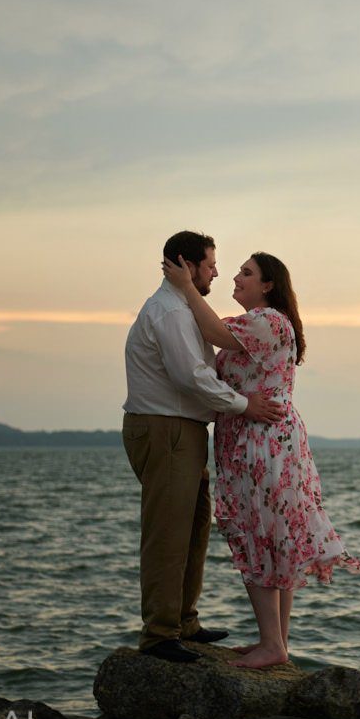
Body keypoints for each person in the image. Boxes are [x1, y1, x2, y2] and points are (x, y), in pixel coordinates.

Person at [163, 250, 360, 669]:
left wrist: (184, 288)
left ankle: (273, 643)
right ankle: (276, 643)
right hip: (260, 440)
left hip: (261, 442)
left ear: (268, 285)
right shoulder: (257, 323)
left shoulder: (267, 321)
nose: (235, 277)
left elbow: (213, 330)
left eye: (246, 273)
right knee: (274, 536)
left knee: (259, 534)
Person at [122, 231, 285, 664]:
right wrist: (244, 405)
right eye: (211, 263)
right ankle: (160, 634)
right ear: (187, 264)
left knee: (193, 526)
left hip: (183, 430)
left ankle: (183, 622)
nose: (217, 270)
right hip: (166, 428)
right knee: (168, 531)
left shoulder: (183, 307)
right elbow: (191, 377)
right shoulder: (171, 311)